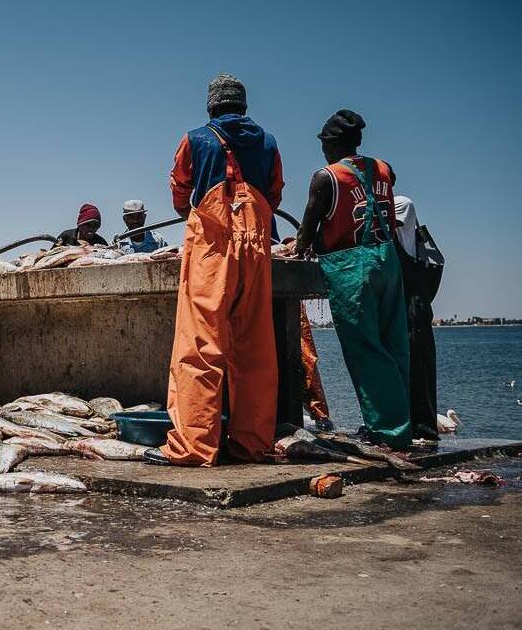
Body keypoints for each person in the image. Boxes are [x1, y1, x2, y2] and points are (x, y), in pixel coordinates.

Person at [145, 74, 284, 467]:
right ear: (242, 105)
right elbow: (274, 194)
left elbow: (179, 192)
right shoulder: (269, 143)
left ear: (211, 106)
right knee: (255, 348)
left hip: (211, 247)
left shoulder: (195, 139)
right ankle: (252, 443)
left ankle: (194, 447)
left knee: (200, 346)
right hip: (257, 250)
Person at [293, 110, 411, 449]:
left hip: (350, 268)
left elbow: (307, 231)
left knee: (366, 349)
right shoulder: (384, 169)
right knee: (394, 345)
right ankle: (401, 427)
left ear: (333, 144)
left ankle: (385, 432)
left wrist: (299, 247)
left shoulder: (326, 177)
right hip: (388, 263)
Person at [393, 195, 444, 446]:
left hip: (413, 306)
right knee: (406, 366)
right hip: (407, 304)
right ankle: (409, 425)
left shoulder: (401, 203)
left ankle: (422, 428)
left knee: (419, 367)